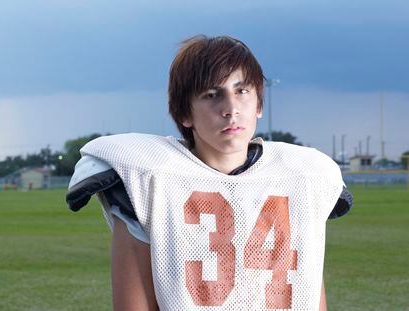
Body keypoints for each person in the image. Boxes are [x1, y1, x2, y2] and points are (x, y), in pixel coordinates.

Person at [66, 35, 353, 311]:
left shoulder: (301, 178)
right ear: (184, 114)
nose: (230, 108)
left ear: (259, 105)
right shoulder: (149, 178)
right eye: (212, 95)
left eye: (242, 91)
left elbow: (307, 290)